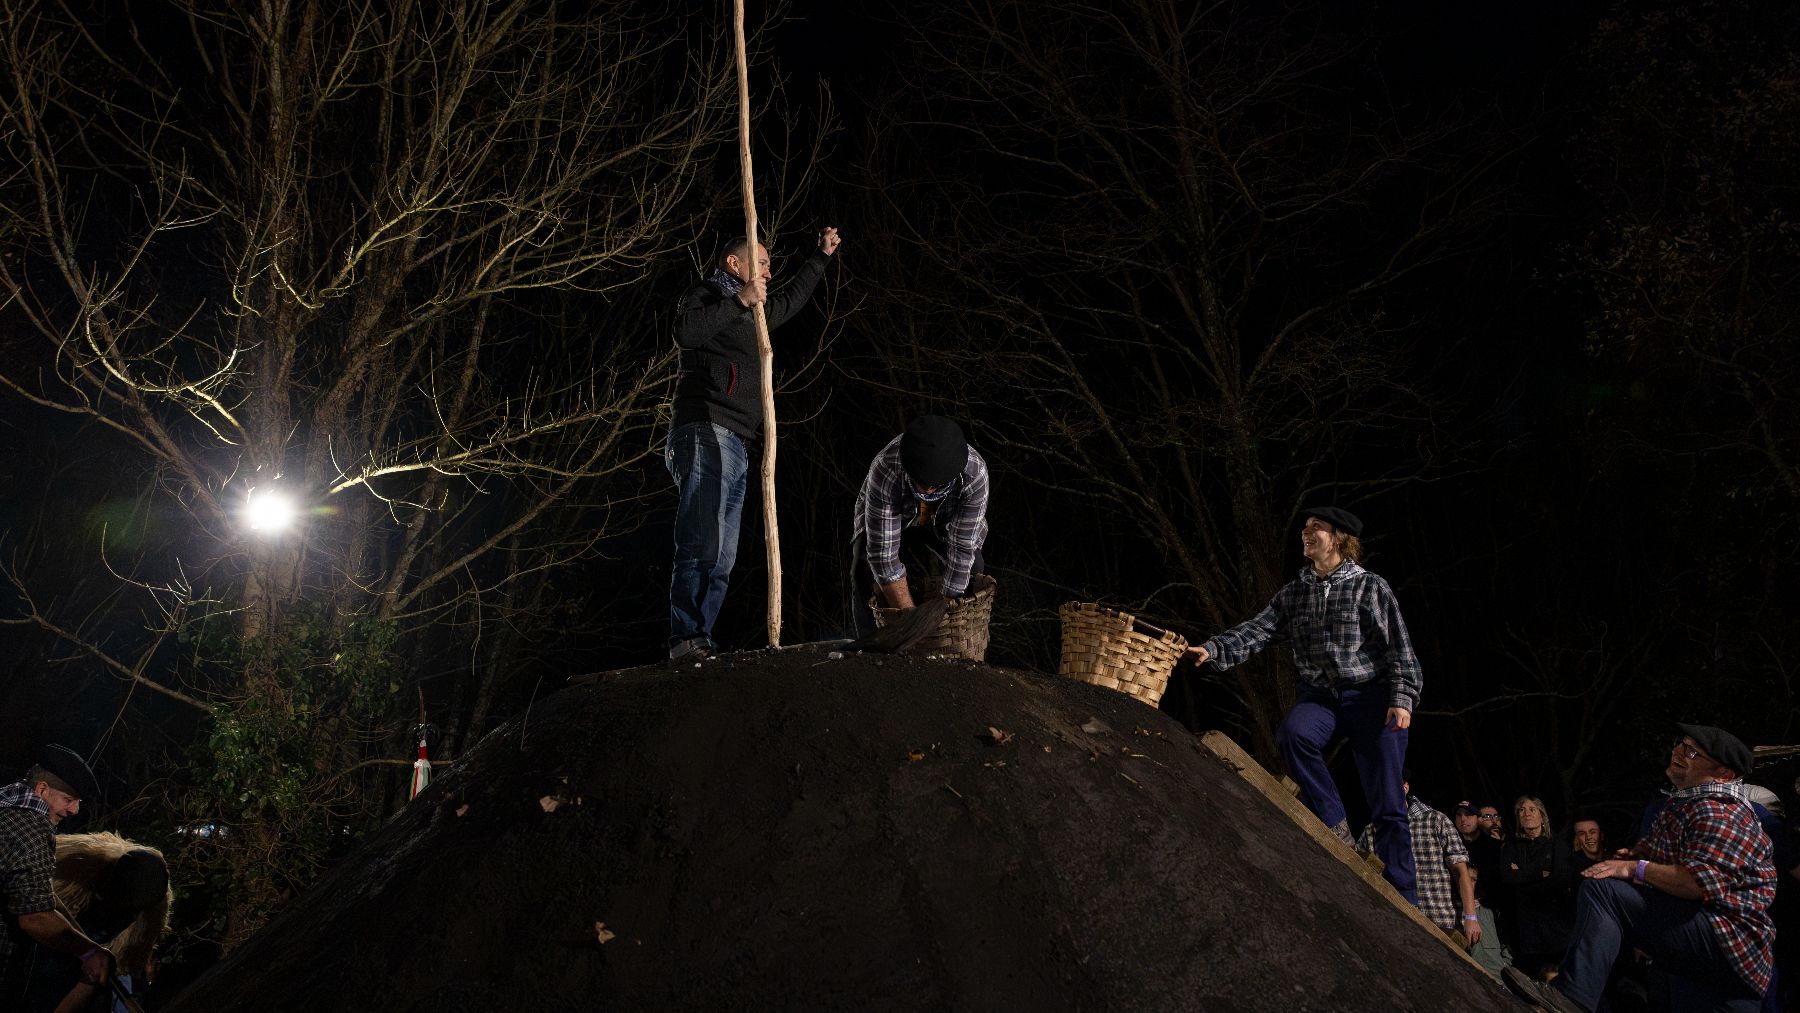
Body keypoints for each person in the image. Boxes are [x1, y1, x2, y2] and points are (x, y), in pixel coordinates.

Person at [1188, 506, 1424, 902]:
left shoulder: (1370, 587)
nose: (1306, 532)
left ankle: (1405, 893)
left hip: (1372, 696)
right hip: (1322, 697)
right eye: (1305, 526)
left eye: (1317, 527)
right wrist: (1213, 649)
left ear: (1340, 540)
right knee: (1294, 735)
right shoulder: (1296, 592)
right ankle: (1335, 824)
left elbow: (1400, 649)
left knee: (1387, 801)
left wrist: (1402, 699)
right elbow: (1258, 629)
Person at [1503, 724, 1777, 1013]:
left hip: (1726, 939)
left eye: (1693, 753)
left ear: (1724, 774)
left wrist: (1635, 867)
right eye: (1680, 744)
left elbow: (1697, 882)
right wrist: (1635, 854)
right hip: (1730, 969)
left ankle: (1572, 999)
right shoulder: (1685, 805)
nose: (1678, 753)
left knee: (1605, 892)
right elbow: (1670, 854)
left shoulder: (1719, 809)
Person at [665, 226, 842, 659]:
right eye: (761, 262)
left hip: (739, 443)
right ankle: (684, 635)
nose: (768, 269)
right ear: (734, 264)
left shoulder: (754, 312)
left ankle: (700, 637)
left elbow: (791, 301)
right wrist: (737, 301)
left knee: (724, 554)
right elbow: (685, 333)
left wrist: (820, 257)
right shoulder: (708, 296)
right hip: (706, 426)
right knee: (703, 539)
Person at [850, 415, 989, 638]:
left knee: (974, 566)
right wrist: (912, 625)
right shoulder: (886, 467)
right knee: (864, 564)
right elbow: (883, 557)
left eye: (935, 486)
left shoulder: (975, 474)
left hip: (946, 519)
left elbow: (963, 547)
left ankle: (961, 637)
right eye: (923, 483)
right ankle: (869, 645)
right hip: (896, 514)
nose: (928, 491)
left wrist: (943, 613)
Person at [0, 747, 114, 1005]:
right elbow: (34, 917)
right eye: (68, 799)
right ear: (41, 790)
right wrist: (89, 952)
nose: (74, 810)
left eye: (78, 802)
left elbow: (39, 895)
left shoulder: (5, 809)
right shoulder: (32, 827)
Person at [26, 834, 170, 1013]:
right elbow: (34, 915)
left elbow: (100, 974)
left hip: (86, 964)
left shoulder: (141, 923)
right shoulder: (73, 869)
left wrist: (91, 977)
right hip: (42, 948)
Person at [1354, 776, 1480, 947]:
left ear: (1405, 787)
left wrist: (1470, 917)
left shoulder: (1435, 820)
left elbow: (1461, 871)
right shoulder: (1372, 831)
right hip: (1398, 923)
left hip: (1442, 923)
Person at [1499, 795, 1575, 977]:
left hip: (1555, 927)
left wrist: (1522, 876)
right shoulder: (1512, 845)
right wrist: (1539, 873)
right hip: (1525, 929)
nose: (1526, 814)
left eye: (1532, 809)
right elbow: (1507, 877)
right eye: (1521, 810)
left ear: (1542, 816)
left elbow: (1561, 879)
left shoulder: (1558, 844)